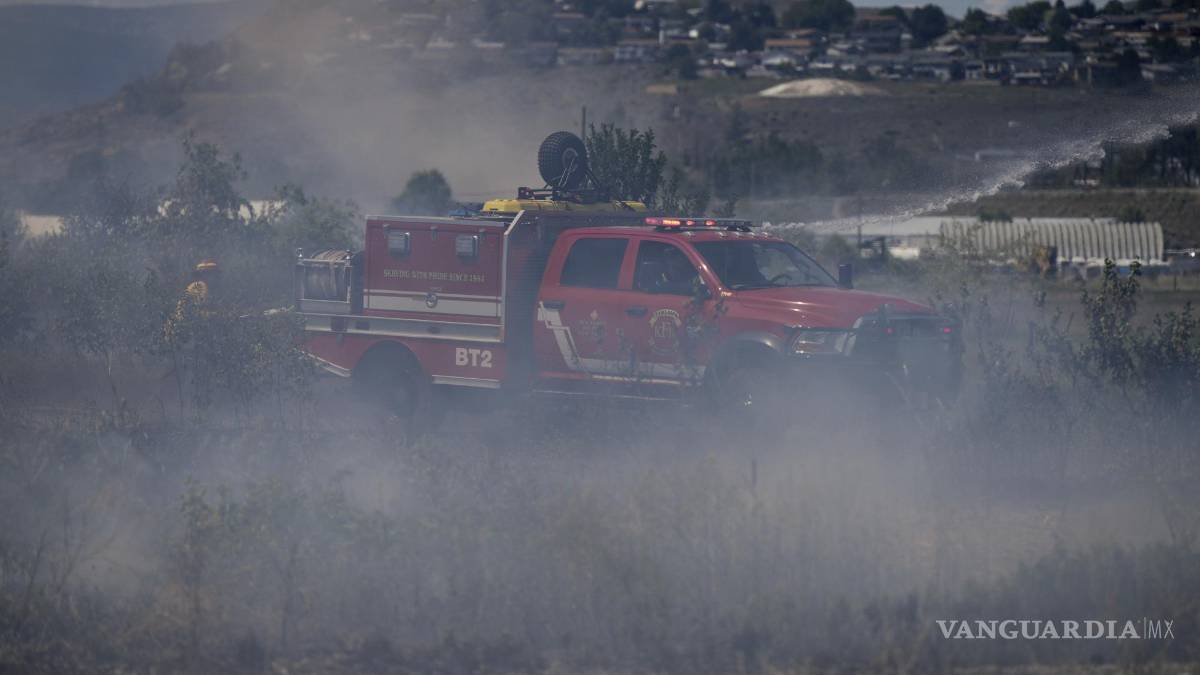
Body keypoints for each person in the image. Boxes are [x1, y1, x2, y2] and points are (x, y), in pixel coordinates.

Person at [164, 259, 219, 344]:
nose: (215, 278)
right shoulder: (200, 286)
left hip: (184, 328)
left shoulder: (198, 286)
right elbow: (197, 311)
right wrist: (216, 315)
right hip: (186, 330)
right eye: (213, 274)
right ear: (205, 274)